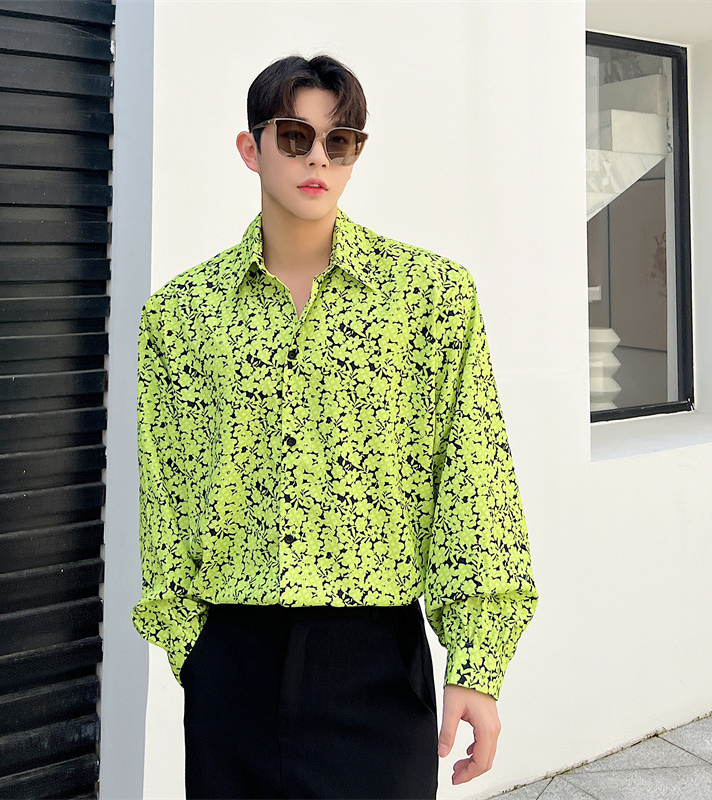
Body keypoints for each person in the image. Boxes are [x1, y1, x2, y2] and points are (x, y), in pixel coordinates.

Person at [131, 53, 539, 800]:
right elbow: (167, 492)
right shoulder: (181, 314)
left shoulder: (429, 296)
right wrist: (192, 648)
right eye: (295, 136)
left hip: (375, 662)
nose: (317, 157)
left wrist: (478, 664)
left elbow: (472, 478)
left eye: (339, 141)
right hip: (232, 663)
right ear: (251, 148)